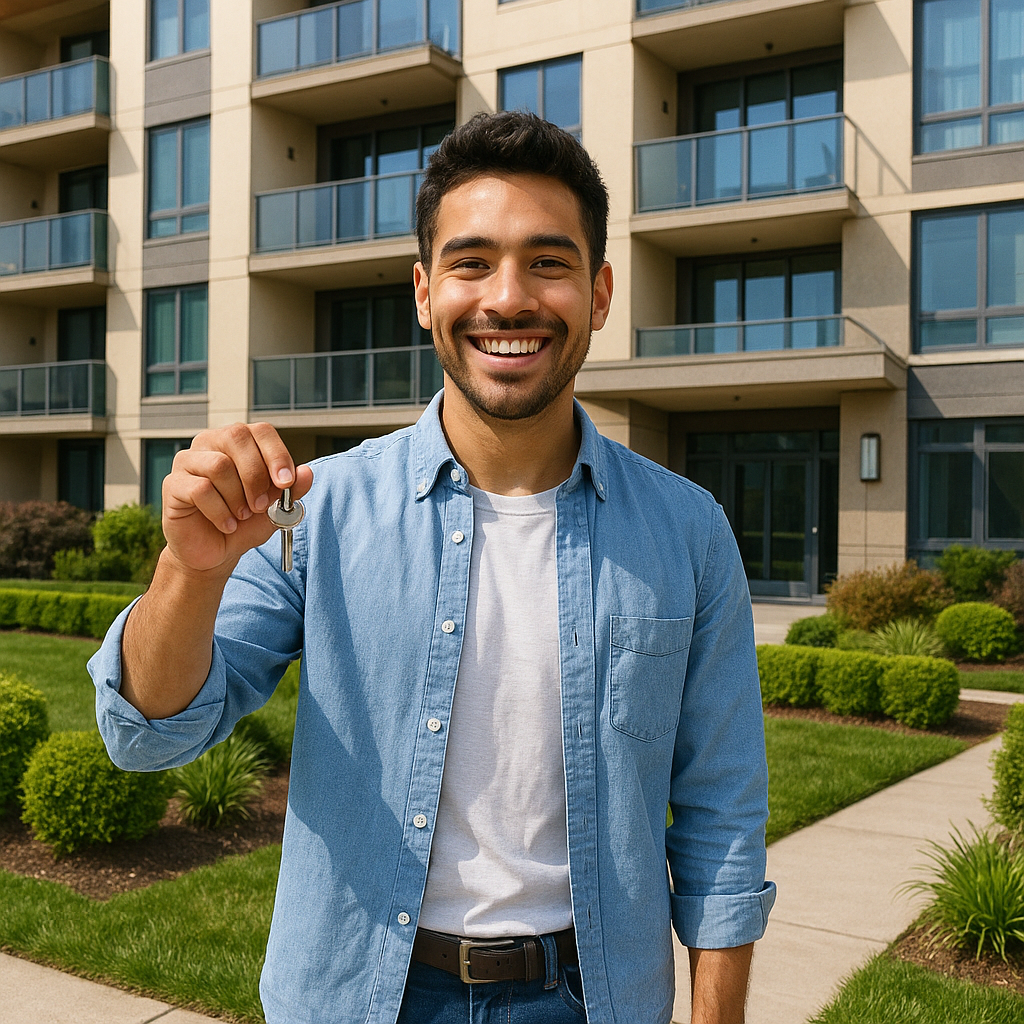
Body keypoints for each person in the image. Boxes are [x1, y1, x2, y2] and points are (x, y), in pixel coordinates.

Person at [91, 111, 775, 1024]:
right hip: (356, 995)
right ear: (423, 291)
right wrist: (191, 570)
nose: (509, 298)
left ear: (600, 292)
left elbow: (722, 811)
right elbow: (147, 735)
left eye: (549, 261)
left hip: (587, 1000)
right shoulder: (313, 512)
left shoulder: (688, 532)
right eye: (471, 261)